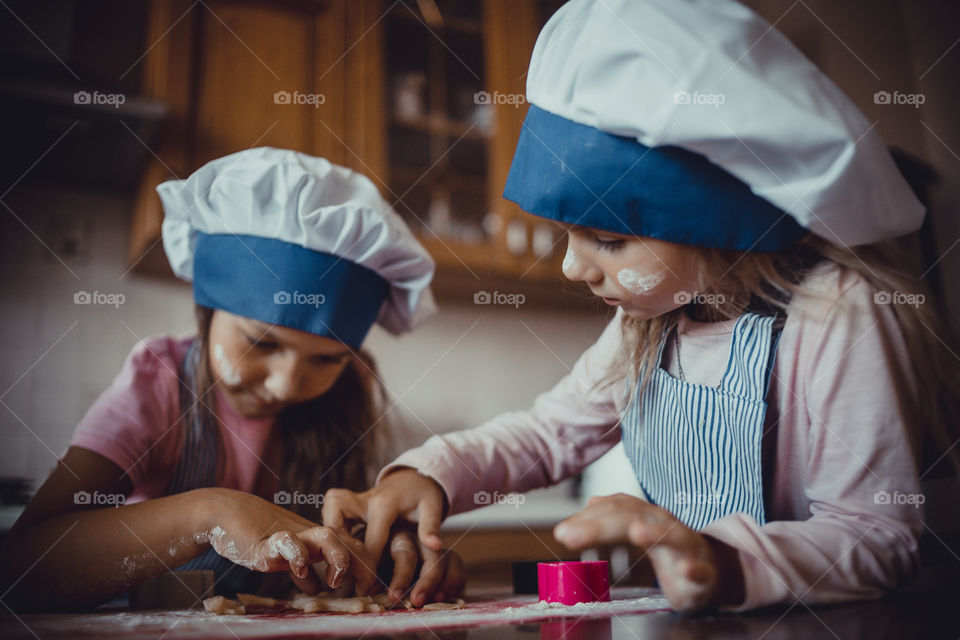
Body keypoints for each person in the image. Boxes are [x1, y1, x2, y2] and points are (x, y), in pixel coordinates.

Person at [320, 0, 960, 614]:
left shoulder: (836, 310)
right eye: (566, 236)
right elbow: (547, 436)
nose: (571, 268)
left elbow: (876, 535)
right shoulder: (646, 325)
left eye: (607, 239)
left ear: (716, 221)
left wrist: (722, 563)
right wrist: (430, 476)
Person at [0, 148, 464, 611]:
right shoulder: (158, 384)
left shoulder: (346, 400)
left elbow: (348, 550)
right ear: (207, 313)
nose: (285, 385)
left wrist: (390, 552)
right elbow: (22, 567)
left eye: (326, 360)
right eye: (261, 343)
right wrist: (210, 513)